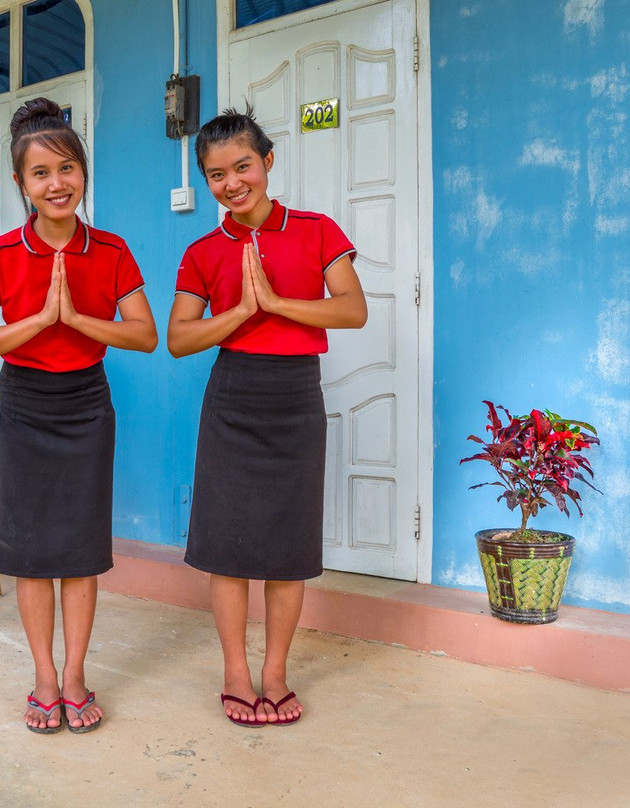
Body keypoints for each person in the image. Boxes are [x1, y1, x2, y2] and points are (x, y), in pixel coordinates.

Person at [0, 97, 157, 734]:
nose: (56, 183)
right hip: (23, 404)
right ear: (21, 183)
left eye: (67, 168)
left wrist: (76, 319)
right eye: (41, 173)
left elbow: (145, 335)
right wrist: (39, 321)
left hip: (86, 404)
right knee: (30, 549)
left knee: (78, 547)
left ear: (83, 173)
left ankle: (75, 677)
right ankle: (44, 677)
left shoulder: (112, 250)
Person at [168, 107, 367, 727]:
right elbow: (179, 338)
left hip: (294, 398)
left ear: (268, 163)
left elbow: (353, 310)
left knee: (286, 544)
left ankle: (275, 673)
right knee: (227, 547)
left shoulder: (316, 230)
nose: (231, 183)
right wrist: (243, 313)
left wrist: (277, 301)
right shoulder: (203, 250)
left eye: (242, 166)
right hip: (232, 396)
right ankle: (235, 672)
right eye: (216, 174)